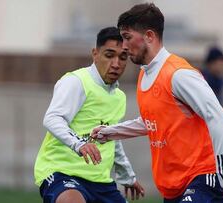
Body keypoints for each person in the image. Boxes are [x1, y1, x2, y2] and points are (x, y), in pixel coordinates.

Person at [91, 3, 223, 203]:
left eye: (127, 37)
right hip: (174, 187)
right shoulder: (145, 76)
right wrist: (112, 132)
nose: (124, 45)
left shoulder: (178, 74)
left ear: (149, 36)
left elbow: (216, 115)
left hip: (203, 178)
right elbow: (152, 121)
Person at [34, 27, 144, 203]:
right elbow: (53, 118)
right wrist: (79, 144)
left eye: (122, 57)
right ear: (95, 54)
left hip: (100, 183)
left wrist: (127, 177)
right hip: (62, 173)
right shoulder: (76, 81)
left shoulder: (118, 97)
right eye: (109, 55)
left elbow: (113, 139)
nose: (116, 63)